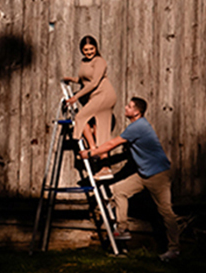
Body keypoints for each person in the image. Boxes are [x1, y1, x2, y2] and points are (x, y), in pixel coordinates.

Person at [88, 96, 181, 261]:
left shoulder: (138, 126)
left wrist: (91, 152)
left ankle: (174, 249)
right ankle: (122, 229)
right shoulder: (136, 126)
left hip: (158, 174)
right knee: (119, 191)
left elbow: (112, 144)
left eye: (130, 106)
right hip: (143, 174)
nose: (126, 107)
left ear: (137, 112)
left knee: (166, 211)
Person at [62, 35, 117, 158]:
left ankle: (92, 149)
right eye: (86, 50)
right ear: (82, 50)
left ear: (96, 48)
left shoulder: (99, 61)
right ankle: (104, 164)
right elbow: (85, 80)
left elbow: (94, 82)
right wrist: (71, 79)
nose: (89, 52)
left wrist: (76, 97)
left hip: (104, 94)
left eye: (91, 49)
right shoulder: (84, 62)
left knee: (80, 117)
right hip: (95, 96)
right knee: (98, 128)